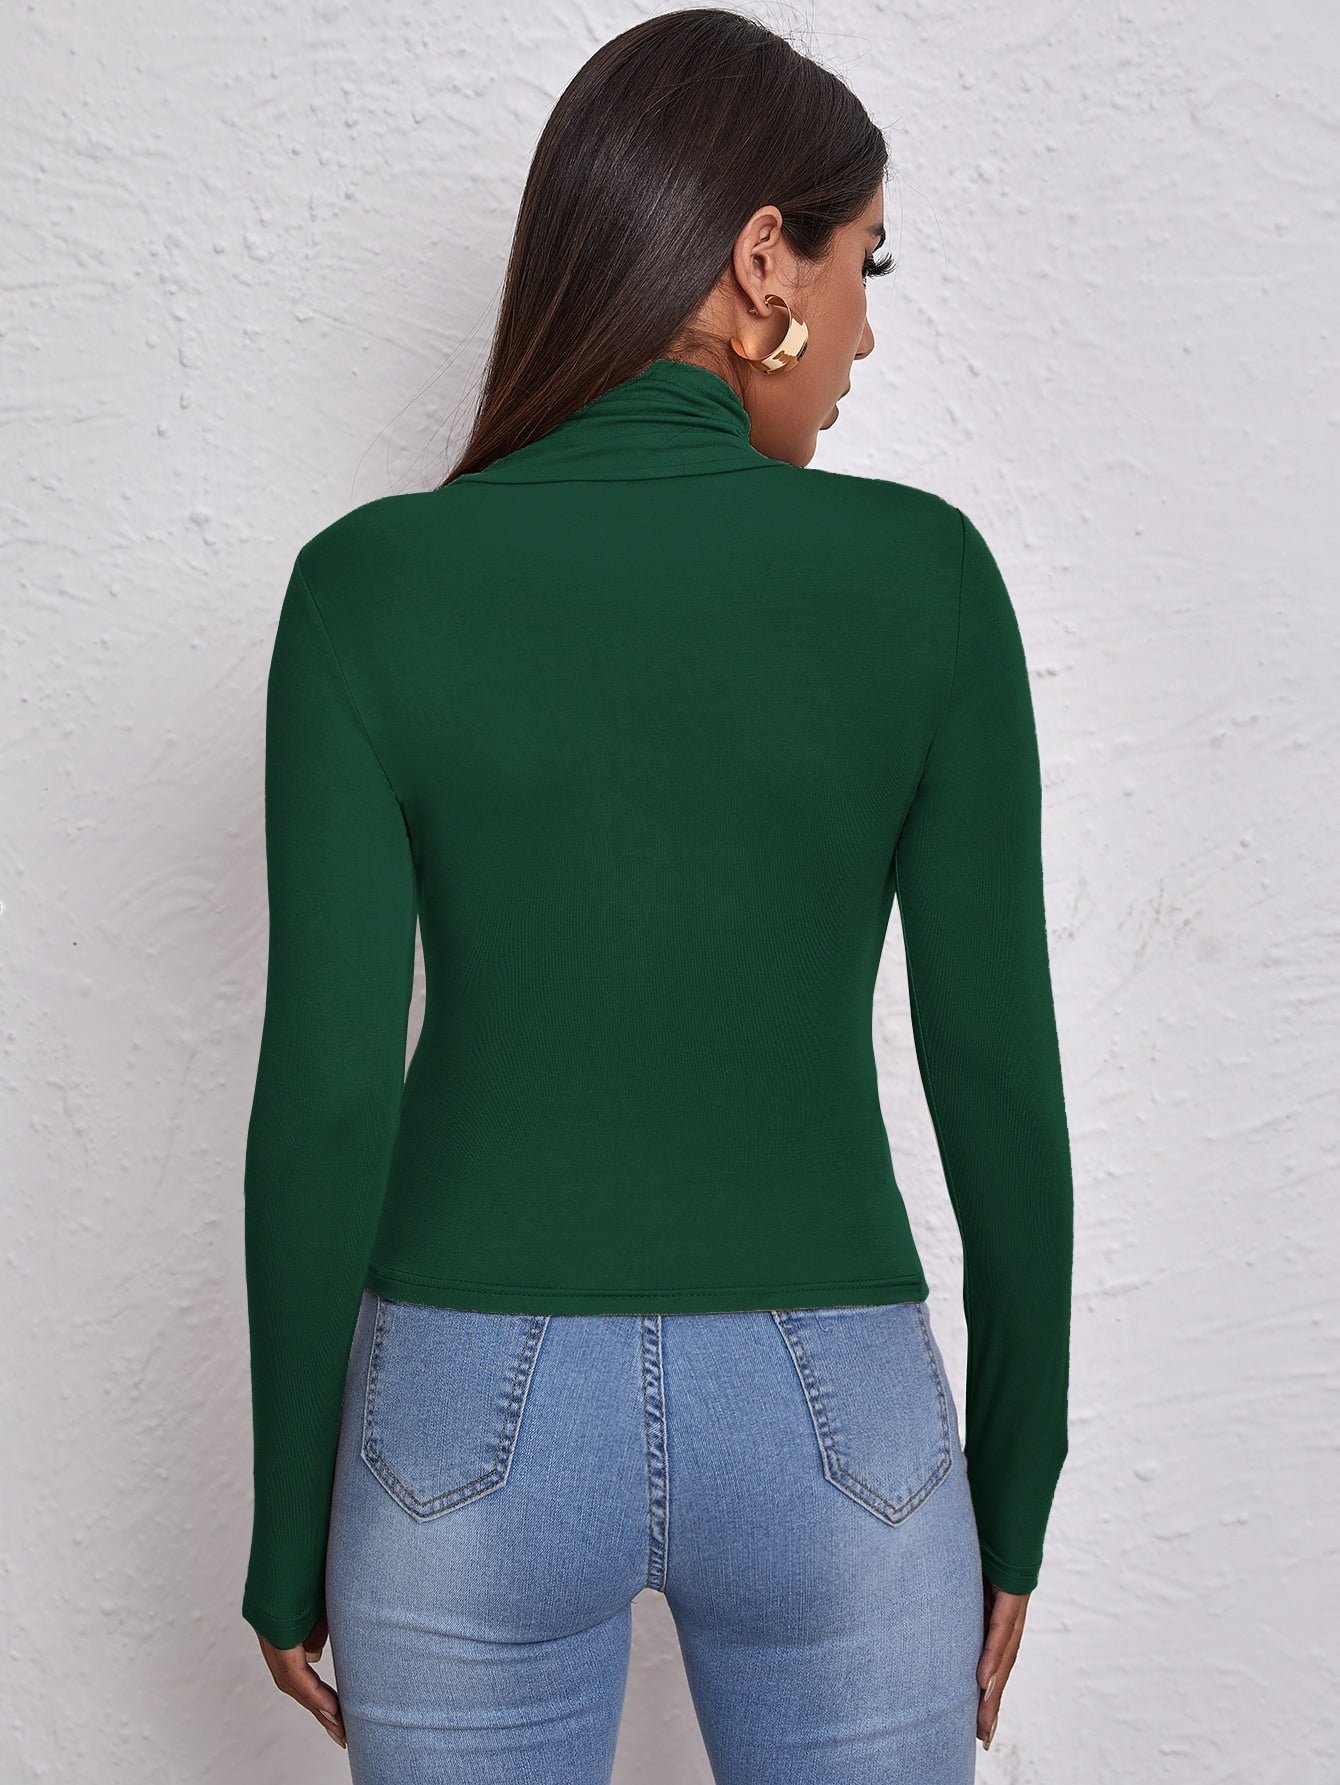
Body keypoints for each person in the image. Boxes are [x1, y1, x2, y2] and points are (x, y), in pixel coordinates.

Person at [240, 9, 1074, 1781]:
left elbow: (327, 1098)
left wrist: (283, 1524)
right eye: (863, 262)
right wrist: (1016, 1480)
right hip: (841, 1427)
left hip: (460, 1427)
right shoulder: (925, 579)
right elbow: (997, 1074)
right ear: (764, 259)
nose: (864, 329)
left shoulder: (367, 588)